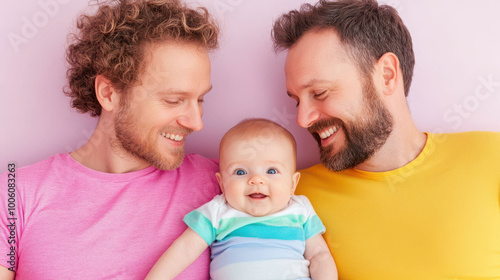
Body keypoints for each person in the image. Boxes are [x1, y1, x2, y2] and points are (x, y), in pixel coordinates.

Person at [272, 0, 500, 279]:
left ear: (387, 75)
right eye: (297, 101)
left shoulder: (492, 157)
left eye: (319, 93)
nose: (302, 119)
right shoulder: (286, 193)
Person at [0, 0, 221, 279]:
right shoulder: (13, 194)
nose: (196, 122)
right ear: (109, 93)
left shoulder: (225, 182)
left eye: (199, 99)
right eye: (173, 100)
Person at [146, 118, 338, 280]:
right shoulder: (218, 211)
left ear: (292, 183)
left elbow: (319, 255)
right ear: (222, 183)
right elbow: (185, 249)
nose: (256, 180)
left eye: (271, 171)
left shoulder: (299, 210)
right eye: (240, 172)